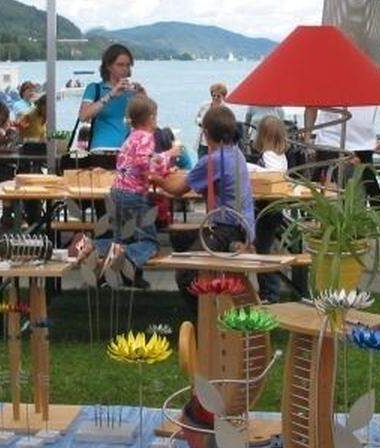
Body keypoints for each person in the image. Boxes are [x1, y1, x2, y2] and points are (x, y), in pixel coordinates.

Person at [153, 106, 255, 307]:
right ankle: (211, 294)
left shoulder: (212, 160)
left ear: (206, 134)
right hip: (244, 226)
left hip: (226, 229)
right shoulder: (236, 154)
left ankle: (206, 318)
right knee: (180, 237)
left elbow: (176, 189)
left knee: (185, 274)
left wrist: (154, 178)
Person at [76, 95, 178, 288]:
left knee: (121, 237)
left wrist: (161, 165)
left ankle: (94, 246)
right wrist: (168, 155)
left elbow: (134, 163)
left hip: (118, 192)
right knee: (149, 242)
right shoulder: (146, 137)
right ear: (150, 118)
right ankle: (124, 259)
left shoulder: (130, 138)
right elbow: (144, 162)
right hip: (134, 196)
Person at [304, 103, 380, 203]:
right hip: (329, 142)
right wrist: (307, 138)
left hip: (362, 144)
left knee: (363, 196)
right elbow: (311, 105)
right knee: (325, 195)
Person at [250, 115, 289, 303]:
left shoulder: (267, 156)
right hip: (276, 209)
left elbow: (271, 177)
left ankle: (269, 292)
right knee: (265, 246)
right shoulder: (282, 156)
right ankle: (268, 290)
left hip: (265, 208)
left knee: (263, 249)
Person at [79, 43, 145, 151]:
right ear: (109, 66)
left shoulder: (132, 92)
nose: (125, 69)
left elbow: (146, 121)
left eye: (128, 65)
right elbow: (83, 116)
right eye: (120, 65)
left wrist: (143, 97)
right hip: (101, 149)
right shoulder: (95, 88)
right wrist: (111, 94)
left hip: (127, 151)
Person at [195, 83, 228, 157]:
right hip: (203, 142)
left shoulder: (225, 110)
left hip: (217, 143)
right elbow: (197, 118)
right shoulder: (204, 106)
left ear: (223, 97)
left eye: (218, 96)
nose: (215, 98)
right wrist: (201, 123)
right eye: (213, 95)